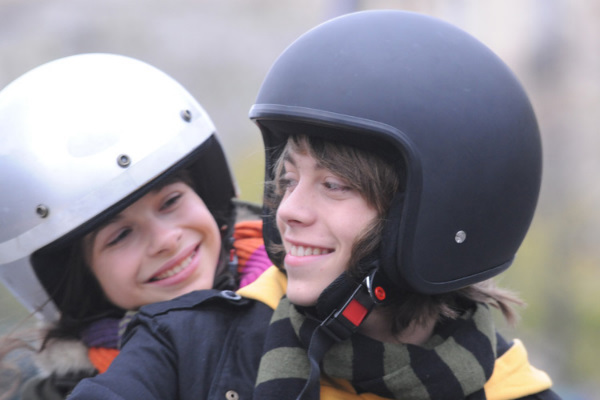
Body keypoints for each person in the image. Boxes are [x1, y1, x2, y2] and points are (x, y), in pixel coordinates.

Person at [246, 10, 562, 400]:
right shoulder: (193, 343)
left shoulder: (516, 390)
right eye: (288, 181)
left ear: (439, 214)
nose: (288, 211)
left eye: (333, 185)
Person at [0, 53, 271, 399]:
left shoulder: (327, 297)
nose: (165, 240)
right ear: (79, 279)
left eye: (171, 201)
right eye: (121, 235)